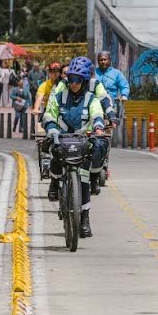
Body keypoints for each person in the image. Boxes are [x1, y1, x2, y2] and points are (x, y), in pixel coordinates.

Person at [42, 56, 107, 237]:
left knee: (84, 181)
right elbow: (48, 116)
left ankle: (84, 220)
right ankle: (54, 183)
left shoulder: (91, 99)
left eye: (78, 80)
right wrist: (52, 130)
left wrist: (99, 127)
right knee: (53, 156)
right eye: (71, 79)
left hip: (82, 142)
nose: (74, 83)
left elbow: (97, 114)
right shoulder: (58, 96)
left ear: (84, 81)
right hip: (61, 139)